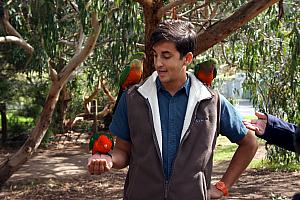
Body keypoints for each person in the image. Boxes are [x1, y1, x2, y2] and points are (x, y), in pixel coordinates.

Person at [87, 19, 258, 200]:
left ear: (187, 58)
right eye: (155, 55)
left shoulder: (211, 101)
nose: (158, 63)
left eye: (166, 56)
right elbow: (123, 152)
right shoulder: (132, 99)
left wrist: (222, 186)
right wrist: (109, 159)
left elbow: (249, 143)